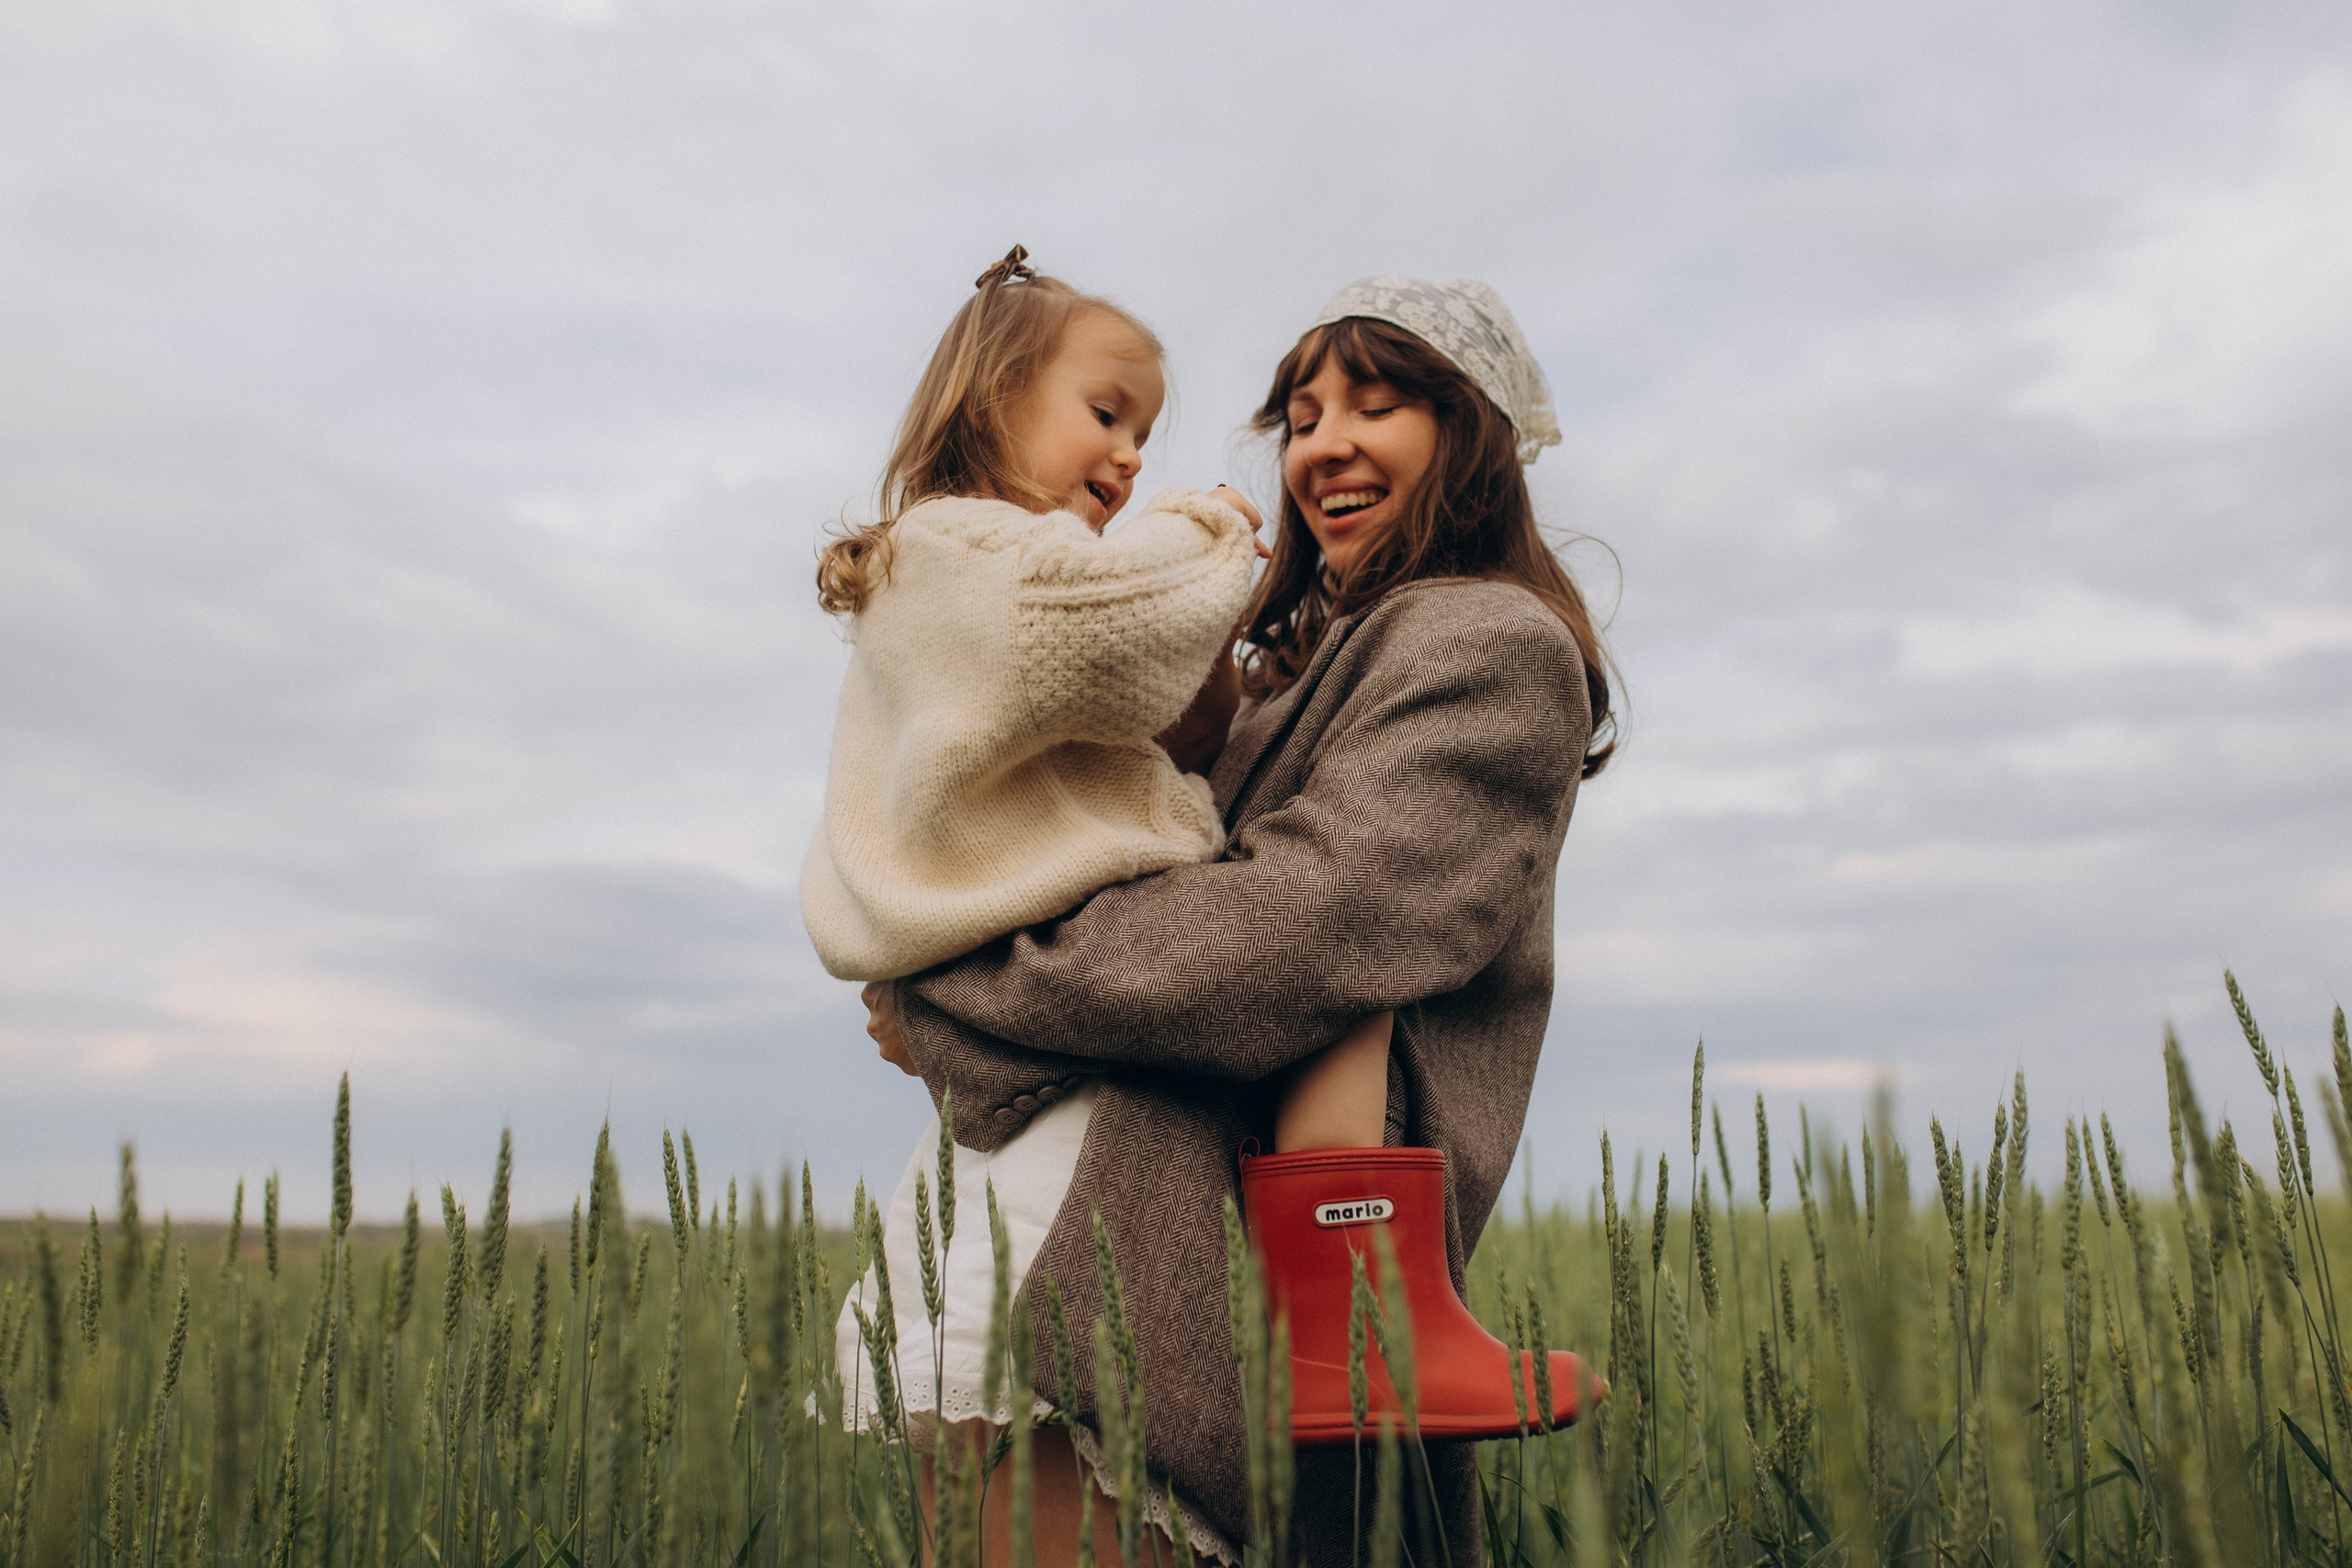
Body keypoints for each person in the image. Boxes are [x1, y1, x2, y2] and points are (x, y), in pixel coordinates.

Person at [864, 275, 1615, 1563]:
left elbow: (1303, 929)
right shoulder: (1277, 682)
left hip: (1157, 1268)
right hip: (1049, 1229)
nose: (1323, 443)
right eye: (1305, 414)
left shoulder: (1488, 643)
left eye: (1377, 406)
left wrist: (959, 996)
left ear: (1474, 435)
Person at [804, 249, 1421, 1554]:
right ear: (991, 404)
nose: (1132, 453)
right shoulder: (987, 555)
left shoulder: (963, 569)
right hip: (1061, 1104)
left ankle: (1347, 1305)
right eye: (1105, 413)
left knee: (986, 1464)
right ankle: (1352, 1305)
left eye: (1144, 431)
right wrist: (1206, 536)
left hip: (1021, 1079)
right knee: (1028, 1450)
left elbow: (1140, 718)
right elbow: (1115, 623)